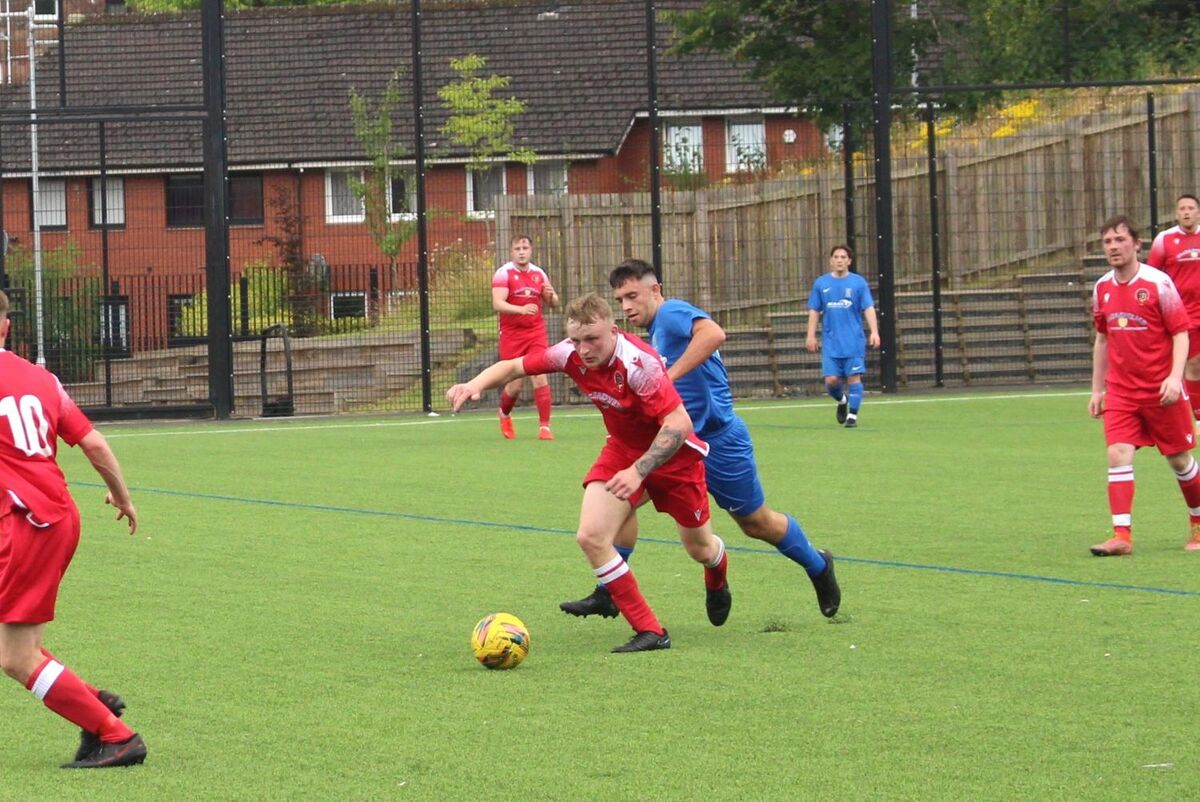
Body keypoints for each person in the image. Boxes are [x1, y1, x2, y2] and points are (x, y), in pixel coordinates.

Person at [448, 293, 731, 653]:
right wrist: (472, 385)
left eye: (592, 339)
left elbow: (679, 423)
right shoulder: (568, 352)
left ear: (613, 331)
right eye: (577, 340)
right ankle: (651, 631)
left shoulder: (638, 365)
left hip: (674, 458)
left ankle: (717, 572)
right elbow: (514, 367)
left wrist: (638, 470)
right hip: (621, 451)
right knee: (591, 536)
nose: (583, 349)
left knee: (700, 548)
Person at [559, 260, 840, 621]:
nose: (627, 306)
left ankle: (818, 567)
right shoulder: (647, 337)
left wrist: (667, 376)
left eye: (633, 296)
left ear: (655, 290)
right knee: (619, 494)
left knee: (756, 523)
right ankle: (608, 592)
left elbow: (713, 334)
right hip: (673, 446)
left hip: (719, 441)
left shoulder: (673, 313)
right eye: (620, 299)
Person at [0, 289, 146, 768]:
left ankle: (115, 734)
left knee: (17, 657)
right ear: (5, 326)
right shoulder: (43, 379)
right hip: (57, 517)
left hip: (26, 523)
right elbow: (95, 444)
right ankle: (90, 701)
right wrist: (122, 495)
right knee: (16, 644)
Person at [1088, 216, 1200, 556]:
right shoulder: (1102, 288)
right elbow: (1103, 339)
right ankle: (1121, 535)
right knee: (1117, 453)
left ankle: (1198, 523)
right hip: (1121, 390)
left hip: (1160, 390)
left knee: (1180, 460)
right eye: (1107, 241)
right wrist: (1096, 390)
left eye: (1119, 240)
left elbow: (1180, 333)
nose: (1112, 247)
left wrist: (1172, 376)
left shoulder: (1158, 283)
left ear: (1136, 245)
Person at [491, 235, 559, 440]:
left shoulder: (539, 274)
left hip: (535, 332)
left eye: (525, 247)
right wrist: (520, 310)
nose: (522, 252)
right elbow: (498, 303)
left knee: (539, 374)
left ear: (531, 250)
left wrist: (551, 296)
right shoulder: (503, 274)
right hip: (512, 334)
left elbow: (554, 303)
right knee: (515, 384)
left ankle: (545, 427)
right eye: (517, 248)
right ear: (511, 252)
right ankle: (504, 414)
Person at [805, 245, 880, 428]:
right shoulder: (821, 284)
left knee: (854, 377)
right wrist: (810, 336)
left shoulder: (858, 283)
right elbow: (814, 310)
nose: (839, 260)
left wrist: (875, 332)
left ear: (849, 261)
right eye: (836, 257)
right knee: (831, 380)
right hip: (831, 342)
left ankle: (853, 416)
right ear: (831, 260)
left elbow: (868, 308)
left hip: (853, 341)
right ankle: (842, 401)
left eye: (843, 257)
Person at [1145, 194, 1200, 420]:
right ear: (1176, 213)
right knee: (1193, 363)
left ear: (1198, 212)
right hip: (1183, 314)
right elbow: (1152, 275)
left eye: (1191, 208)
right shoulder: (1164, 240)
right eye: (1182, 208)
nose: (1186, 212)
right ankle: (1196, 415)